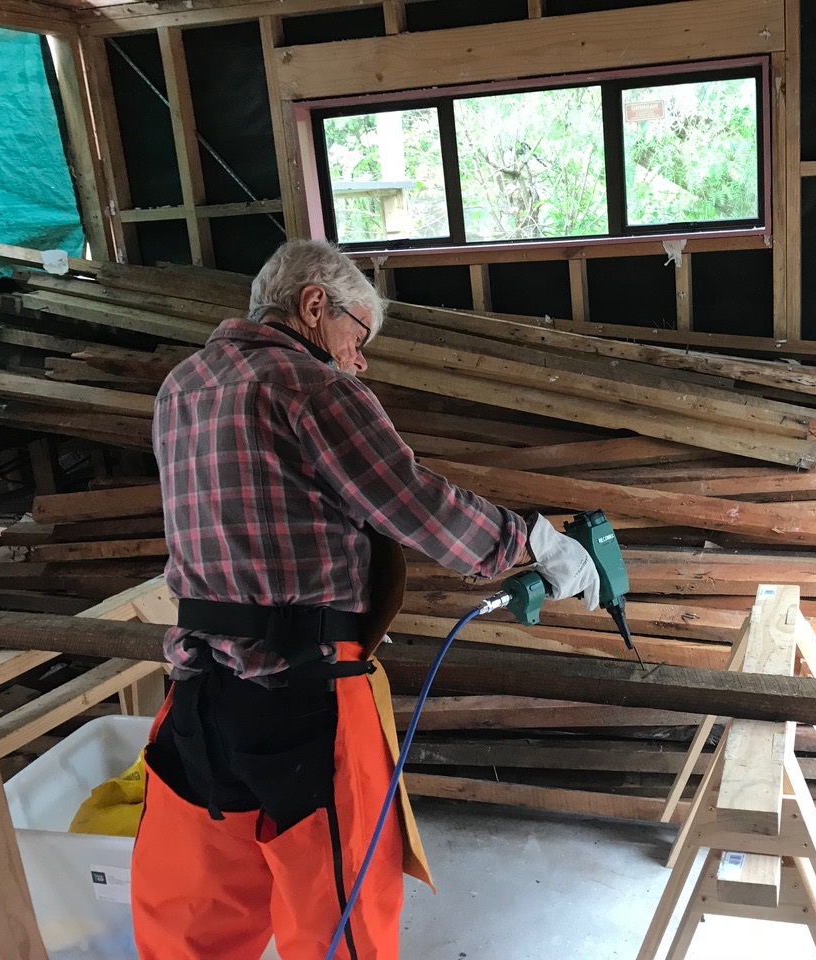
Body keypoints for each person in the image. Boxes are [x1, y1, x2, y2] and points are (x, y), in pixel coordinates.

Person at [131, 238, 601, 960]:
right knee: (339, 919)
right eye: (357, 333)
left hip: (196, 694)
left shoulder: (181, 387)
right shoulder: (309, 387)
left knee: (197, 916)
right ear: (313, 305)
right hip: (302, 696)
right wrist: (534, 542)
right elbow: (412, 502)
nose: (361, 358)